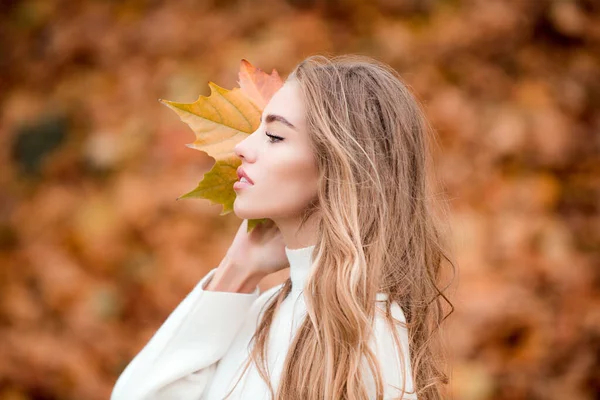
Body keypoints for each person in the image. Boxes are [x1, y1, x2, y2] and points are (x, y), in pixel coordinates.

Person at [110, 54, 454, 400]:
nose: (241, 147)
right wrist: (236, 271)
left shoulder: (368, 332)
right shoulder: (260, 311)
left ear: (340, 165)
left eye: (274, 136)